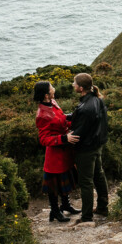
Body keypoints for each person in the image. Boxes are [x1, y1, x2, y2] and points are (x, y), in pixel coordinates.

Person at [32, 81, 79, 222]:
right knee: (55, 184)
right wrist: (64, 138)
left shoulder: (53, 102)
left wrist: (72, 118)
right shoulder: (42, 114)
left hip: (65, 151)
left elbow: (61, 118)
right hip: (55, 155)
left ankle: (66, 205)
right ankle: (54, 211)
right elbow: (44, 139)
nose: (54, 88)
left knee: (65, 178)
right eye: (51, 87)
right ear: (46, 94)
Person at [66, 72, 110, 223]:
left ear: (81, 88)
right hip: (97, 144)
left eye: (74, 83)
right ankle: (103, 208)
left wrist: (65, 138)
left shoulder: (86, 107)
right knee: (99, 175)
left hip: (86, 148)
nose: (73, 85)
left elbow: (78, 132)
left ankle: (86, 217)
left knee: (86, 182)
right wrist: (65, 116)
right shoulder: (97, 99)